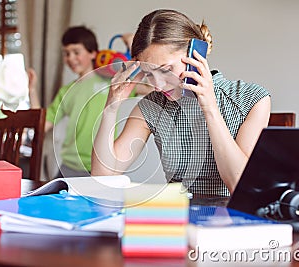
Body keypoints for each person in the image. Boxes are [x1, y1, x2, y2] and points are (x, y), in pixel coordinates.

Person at [91, 9, 271, 197]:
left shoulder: (252, 99)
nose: (158, 85)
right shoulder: (151, 107)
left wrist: (209, 108)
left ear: (196, 55)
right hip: (178, 218)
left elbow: (239, 186)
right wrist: (111, 107)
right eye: (149, 74)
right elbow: (103, 175)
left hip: (234, 219)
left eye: (167, 69)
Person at [28, 26, 149, 178]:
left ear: (93, 53)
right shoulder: (66, 91)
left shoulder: (113, 83)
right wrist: (32, 90)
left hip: (102, 167)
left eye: (76, 52)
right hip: (69, 167)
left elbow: (149, 87)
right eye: (66, 53)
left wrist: (132, 43)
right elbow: (42, 125)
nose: (71, 58)